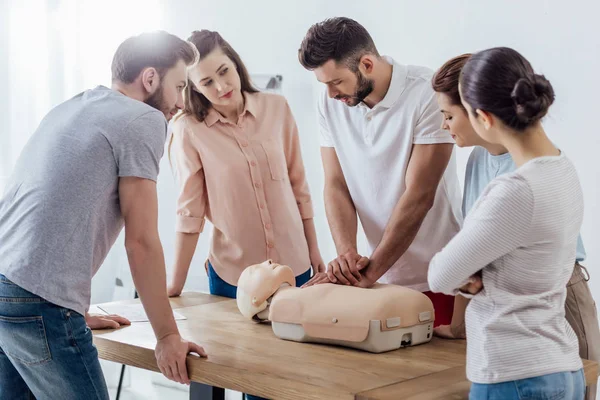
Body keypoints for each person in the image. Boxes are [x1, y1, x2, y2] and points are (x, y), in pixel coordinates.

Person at [0, 31, 206, 399]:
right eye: (179, 86)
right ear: (150, 78)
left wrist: (72, 306)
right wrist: (168, 337)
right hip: (36, 300)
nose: (180, 102)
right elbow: (141, 243)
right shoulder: (143, 119)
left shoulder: (73, 105)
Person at [431, 52, 600, 399]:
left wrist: (478, 279)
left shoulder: (516, 190)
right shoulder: (561, 168)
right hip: (557, 366)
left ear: (483, 117)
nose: (445, 124)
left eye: (451, 113)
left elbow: (441, 274)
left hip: (516, 373)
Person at [298, 17, 462, 327]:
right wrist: (347, 256)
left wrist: (370, 273)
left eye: (336, 82)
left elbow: (419, 196)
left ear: (367, 64)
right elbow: (335, 184)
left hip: (440, 277)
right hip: (376, 281)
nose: (331, 93)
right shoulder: (329, 102)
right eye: (324, 84)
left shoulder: (426, 93)